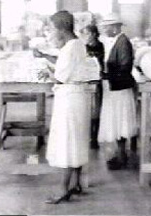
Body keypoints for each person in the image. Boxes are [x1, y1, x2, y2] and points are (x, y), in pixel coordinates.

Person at [44, 11, 91, 204]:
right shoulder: (77, 44)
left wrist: (47, 73)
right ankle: (76, 183)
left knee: (67, 143)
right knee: (76, 141)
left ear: (62, 29)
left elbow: (60, 77)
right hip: (77, 97)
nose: (51, 33)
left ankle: (63, 188)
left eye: (52, 29)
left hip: (70, 99)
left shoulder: (70, 48)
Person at [98, 14, 137, 170]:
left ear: (115, 27)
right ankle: (120, 154)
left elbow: (125, 68)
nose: (104, 30)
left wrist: (107, 75)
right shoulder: (116, 41)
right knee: (117, 124)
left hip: (120, 90)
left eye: (106, 27)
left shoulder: (123, 43)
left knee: (120, 124)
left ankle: (122, 157)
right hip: (114, 88)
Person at [81, 24, 104, 149]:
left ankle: (94, 138)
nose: (86, 36)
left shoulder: (99, 46)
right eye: (84, 34)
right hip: (87, 81)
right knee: (88, 110)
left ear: (94, 34)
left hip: (96, 81)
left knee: (96, 110)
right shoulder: (84, 47)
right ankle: (89, 136)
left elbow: (97, 63)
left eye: (88, 33)